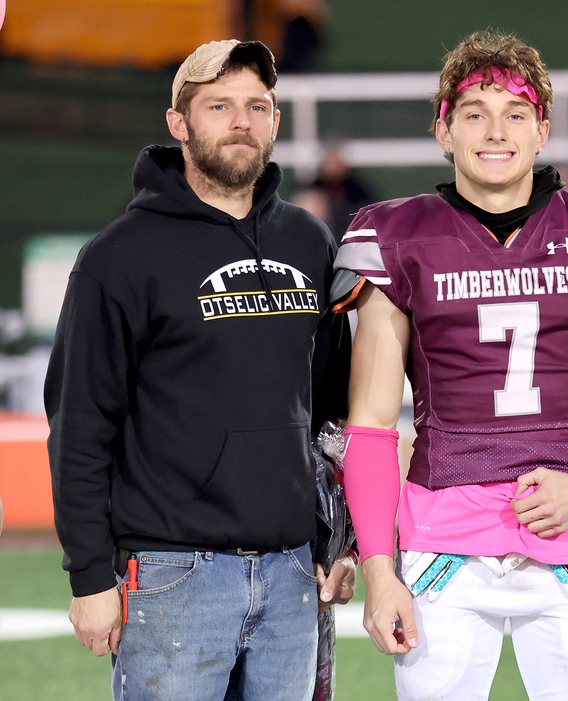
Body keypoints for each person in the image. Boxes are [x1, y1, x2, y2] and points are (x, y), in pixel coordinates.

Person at [331, 31, 568, 701]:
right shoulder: (395, 235)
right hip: (442, 547)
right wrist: (380, 572)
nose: (497, 130)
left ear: (543, 128)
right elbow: (371, 425)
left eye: (516, 113)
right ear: (444, 129)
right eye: (474, 113)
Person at [45, 39, 354, 700]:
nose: (241, 120)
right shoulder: (119, 256)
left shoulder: (309, 241)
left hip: (293, 574)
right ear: (179, 123)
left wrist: (342, 541)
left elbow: (333, 412)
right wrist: (89, 576)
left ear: (274, 122)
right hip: (170, 575)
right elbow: (78, 427)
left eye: (257, 106)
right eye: (219, 106)